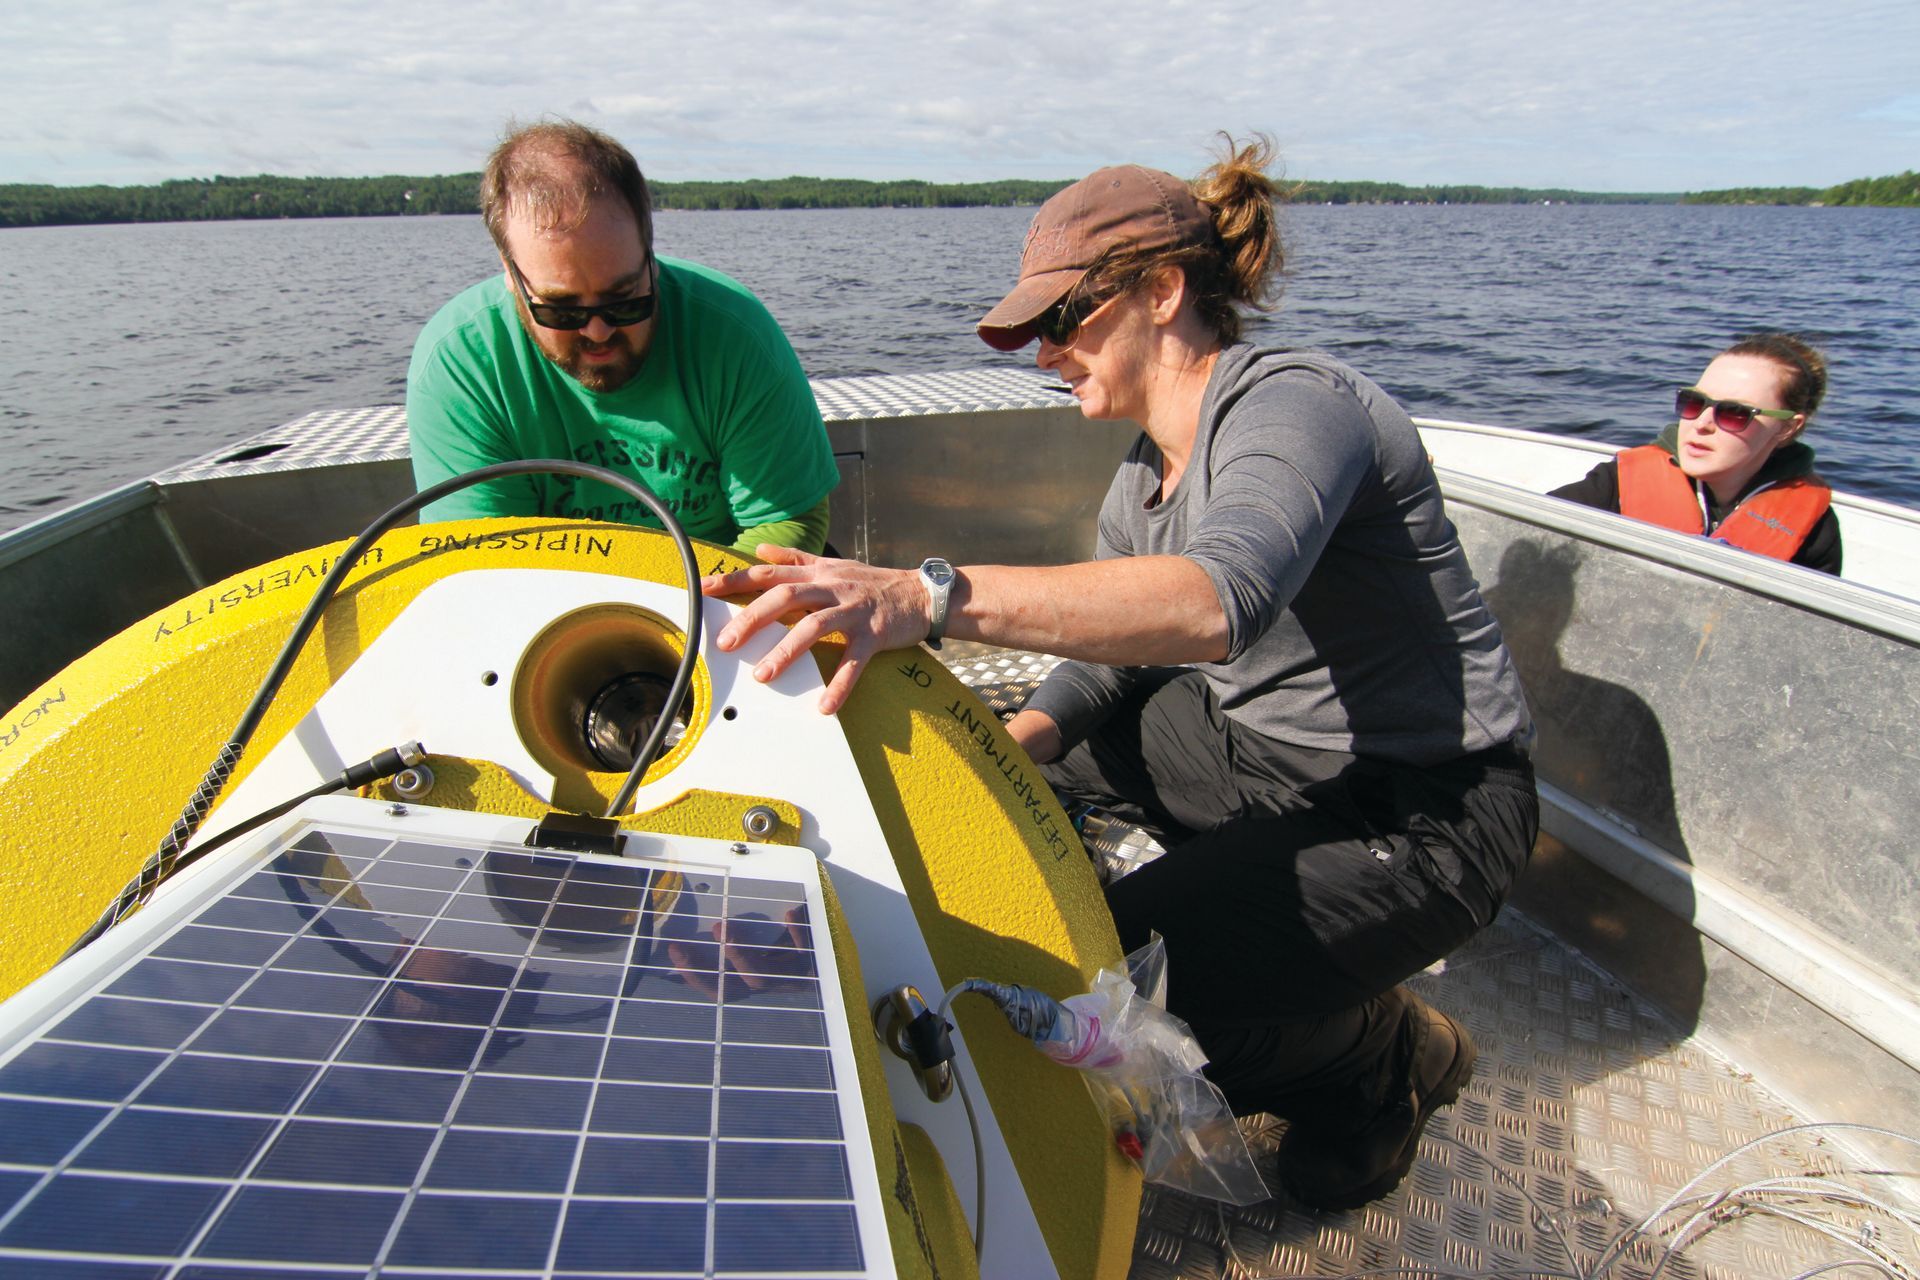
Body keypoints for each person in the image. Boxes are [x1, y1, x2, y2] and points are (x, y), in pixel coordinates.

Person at [701, 138, 1538, 1211]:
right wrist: (1000, 760)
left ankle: (1382, 1057)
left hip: (1428, 802)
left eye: (1062, 320)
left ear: (1161, 288)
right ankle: (1236, 901)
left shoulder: (1296, 404)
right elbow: (1114, 662)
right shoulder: (1143, 479)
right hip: (1252, 750)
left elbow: (1211, 601)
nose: (1044, 352)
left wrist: (928, 595)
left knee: (1109, 984)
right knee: (1022, 759)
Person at [407, 119, 838, 557]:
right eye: (562, 309)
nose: (598, 331)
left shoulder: (734, 334)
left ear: (649, 255)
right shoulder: (461, 364)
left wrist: (678, 612)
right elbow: (492, 562)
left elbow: (787, 522)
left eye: (625, 299)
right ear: (510, 272)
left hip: (725, 602)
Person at [1550, 334, 1840, 574]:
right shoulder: (1615, 484)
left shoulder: (1816, 528)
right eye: (1694, 402)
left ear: (1787, 427)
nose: (1701, 423)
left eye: (1735, 413)